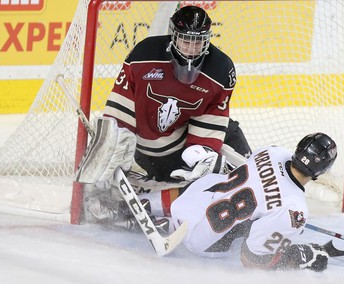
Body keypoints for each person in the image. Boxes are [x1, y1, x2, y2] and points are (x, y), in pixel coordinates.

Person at [75, 5, 251, 190]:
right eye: (185, 40)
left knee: (230, 135)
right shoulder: (143, 55)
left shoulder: (221, 69)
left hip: (181, 149)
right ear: (173, 36)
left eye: (198, 42)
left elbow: (212, 117)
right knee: (190, 191)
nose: (191, 48)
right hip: (143, 154)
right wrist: (112, 146)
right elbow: (120, 113)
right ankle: (127, 199)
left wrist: (202, 154)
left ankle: (252, 183)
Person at [108, 132, 338, 272]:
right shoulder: (294, 211)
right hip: (202, 244)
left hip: (189, 199)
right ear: (322, 171)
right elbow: (253, 260)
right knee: (237, 225)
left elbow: (258, 183)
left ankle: (131, 208)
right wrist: (299, 256)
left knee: (214, 185)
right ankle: (158, 225)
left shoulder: (274, 151)